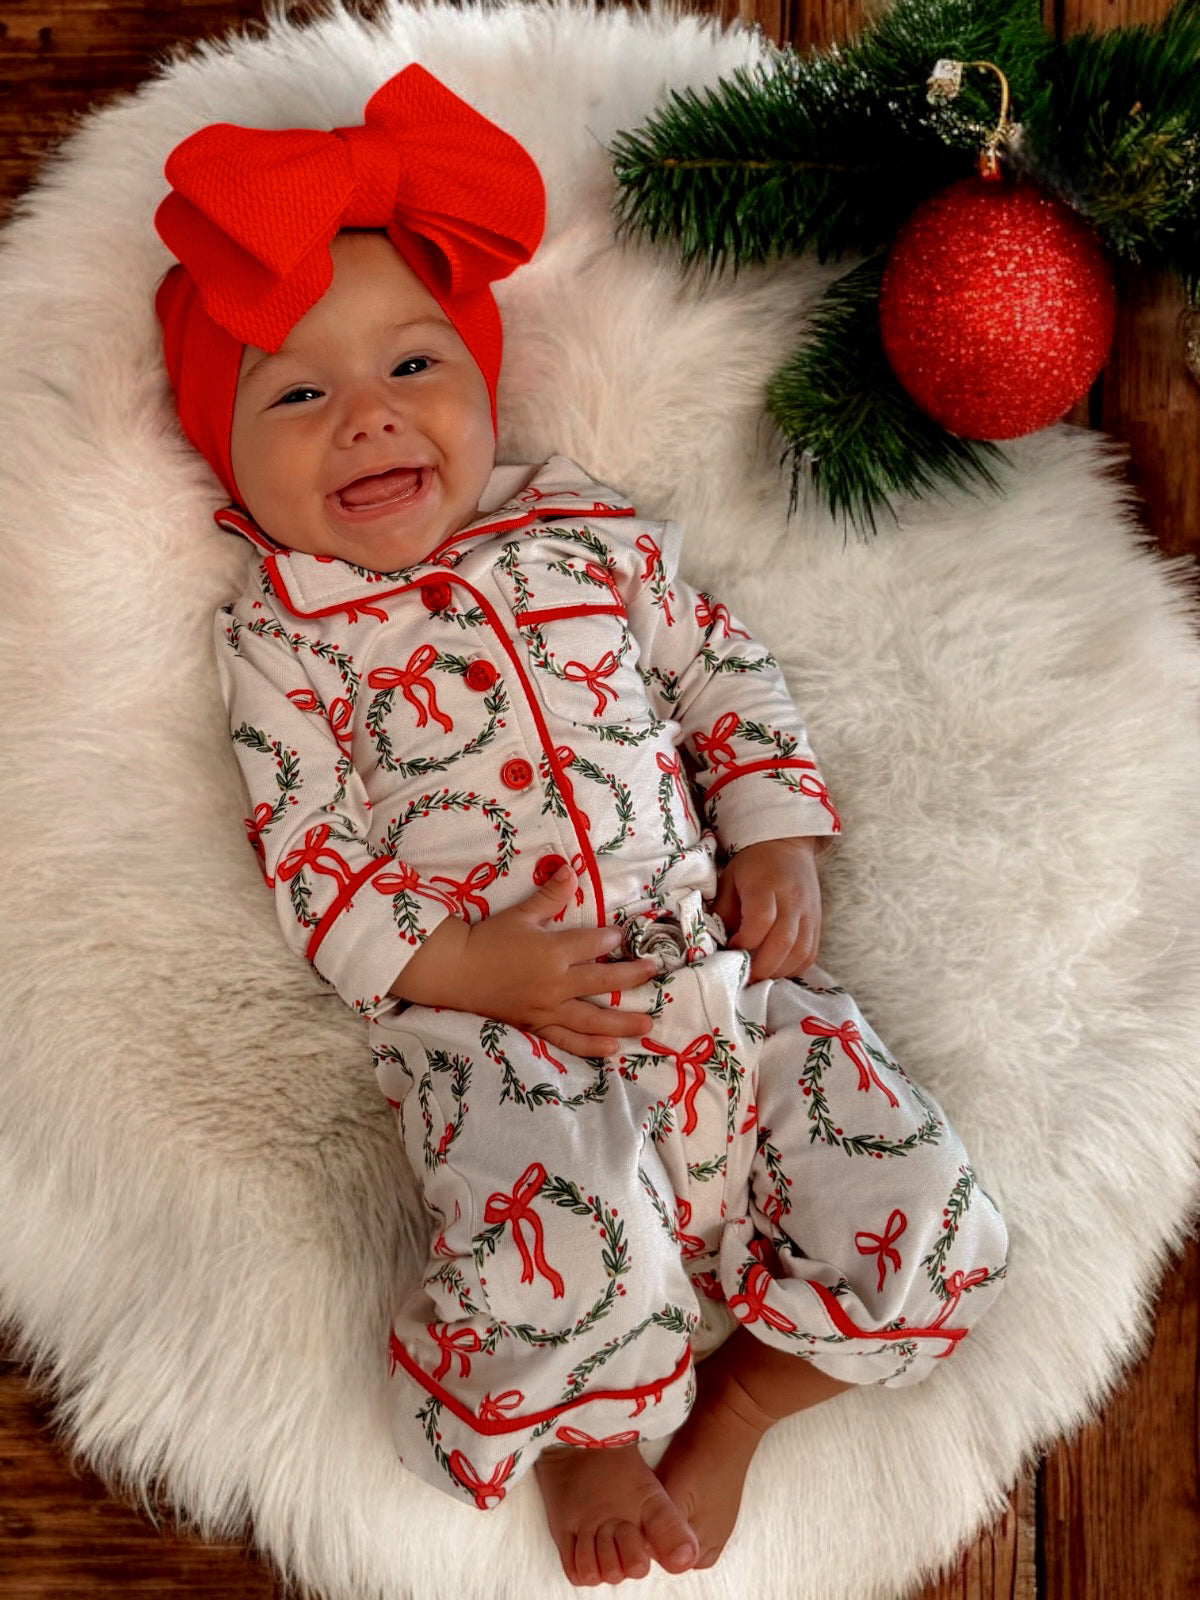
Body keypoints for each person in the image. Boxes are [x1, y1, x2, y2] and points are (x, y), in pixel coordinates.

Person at [155, 66, 1008, 1588]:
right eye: (296, 394)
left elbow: (715, 659)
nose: (368, 419)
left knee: (929, 1210)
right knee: (555, 1272)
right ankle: (594, 1435)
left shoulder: (586, 533)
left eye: (413, 365)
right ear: (232, 461)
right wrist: (471, 971)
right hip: (514, 1041)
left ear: (483, 382)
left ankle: (743, 1399)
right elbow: (311, 858)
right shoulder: (288, 637)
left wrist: (771, 830)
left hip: (726, 990)